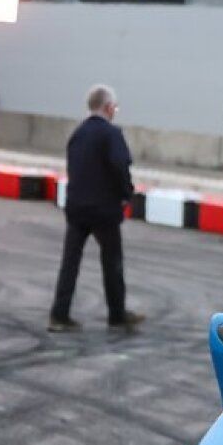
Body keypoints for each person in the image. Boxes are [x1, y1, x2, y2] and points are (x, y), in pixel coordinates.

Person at [48, 84, 144, 332]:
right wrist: (126, 194)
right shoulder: (111, 134)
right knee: (112, 261)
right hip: (104, 209)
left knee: (70, 262)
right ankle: (116, 313)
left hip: (77, 207)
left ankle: (59, 315)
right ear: (109, 107)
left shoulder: (77, 133)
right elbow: (120, 167)